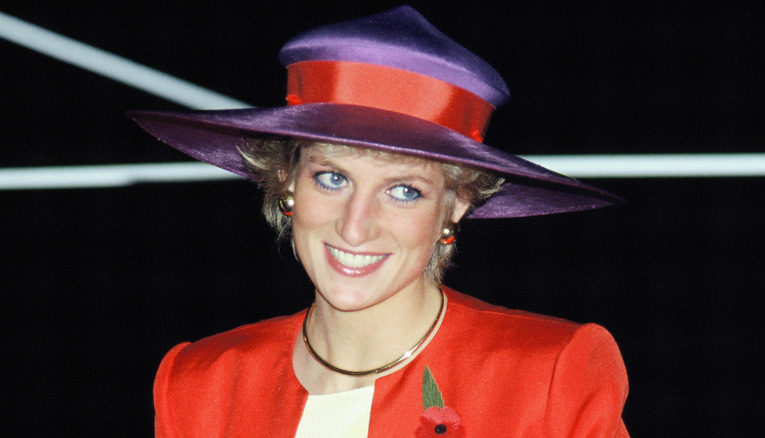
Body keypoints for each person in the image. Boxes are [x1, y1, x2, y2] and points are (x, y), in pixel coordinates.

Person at [130, 6, 629, 437]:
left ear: (455, 203)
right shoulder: (199, 384)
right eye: (332, 178)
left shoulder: (548, 376)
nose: (355, 226)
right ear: (287, 179)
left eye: (404, 190)